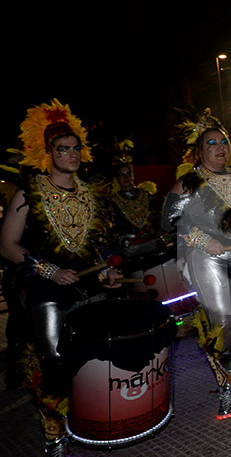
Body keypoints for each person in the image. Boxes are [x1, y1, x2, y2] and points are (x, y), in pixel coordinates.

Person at [0, 99, 119, 457]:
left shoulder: (92, 193)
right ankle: (54, 434)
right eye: (61, 149)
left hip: (86, 281)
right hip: (43, 285)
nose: (71, 154)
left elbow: (99, 244)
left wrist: (109, 271)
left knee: (98, 355)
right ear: (46, 153)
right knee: (53, 360)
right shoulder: (29, 192)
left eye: (75, 148)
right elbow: (6, 244)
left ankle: (97, 420)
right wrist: (48, 270)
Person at [161, 109, 231, 419]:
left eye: (224, 142)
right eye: (212, 144)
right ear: (200, 152)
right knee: (220, 322)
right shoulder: (188, 183)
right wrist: (205, 242)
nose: (220, 148)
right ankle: (225, 383)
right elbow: (168, 222)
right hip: (207, 256)